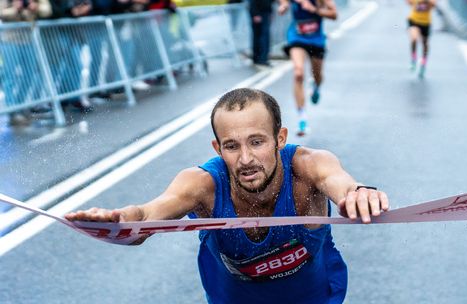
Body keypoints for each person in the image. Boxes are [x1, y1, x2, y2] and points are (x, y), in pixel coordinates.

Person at [65, 88, 389, 304]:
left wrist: (358, 193)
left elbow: (338, 181)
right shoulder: (202, 185)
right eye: (232, 146)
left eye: (257, 142)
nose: (246, 159)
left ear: (280, 138)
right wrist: (118, 223)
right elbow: (147, 216)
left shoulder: (306, 168)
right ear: (218, 149)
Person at [279, 0, 337, 137]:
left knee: (317, 75)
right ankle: (302, 118)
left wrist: (314, 9)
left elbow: (334, 14)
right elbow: (283, 2)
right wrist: (283, 6)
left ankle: (316, 86)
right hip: (297, 37)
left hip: (316, 40)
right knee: (298, 73)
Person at [0, 0, 52, 126]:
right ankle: (13, 111)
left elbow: (47, 10)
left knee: (29, 74)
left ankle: (21, 106)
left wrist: (36, 7)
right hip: (10, 39)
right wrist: (15, 8)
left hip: (29, 37)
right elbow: (2, 12)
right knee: (10, 76)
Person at [407, 0, 436, 79]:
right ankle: (414, 58)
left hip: (425, 23)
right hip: (414, 20)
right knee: (414, 38)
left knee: (425, 43)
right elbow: (409, 3)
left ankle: (423, 63)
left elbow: (433, 5)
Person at [249, 0, 274, 67]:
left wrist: (270, 12)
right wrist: (255, 13)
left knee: (263, 36)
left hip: (265, 12)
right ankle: (260, 58)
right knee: (261, 36)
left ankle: (261, 58)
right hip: (259, 12)